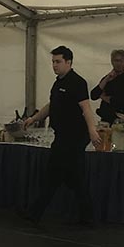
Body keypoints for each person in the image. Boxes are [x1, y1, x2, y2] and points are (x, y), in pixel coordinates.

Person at [22, 46, 100, 225]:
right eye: (53, 62)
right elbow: (51, 106)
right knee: (71, 177)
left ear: (68, 62)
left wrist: (92, 130)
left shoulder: (78, 82)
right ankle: (86, 217)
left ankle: (35, 213)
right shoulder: (57, 83)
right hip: (62, 136)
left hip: (74, 137)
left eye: (58, 62)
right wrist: (34, 118)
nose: (54, 65)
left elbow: (86, 108)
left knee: (57, 176)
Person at [90, 48, 124, 125]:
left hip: (121, 119)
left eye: (121, 61)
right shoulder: (108, 78)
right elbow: (93, 95)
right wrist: (106, 79)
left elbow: (123, 101)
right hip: (106, 119)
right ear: (112, 61)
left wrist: (103, 97)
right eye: (116, 60)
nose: (118, 63)